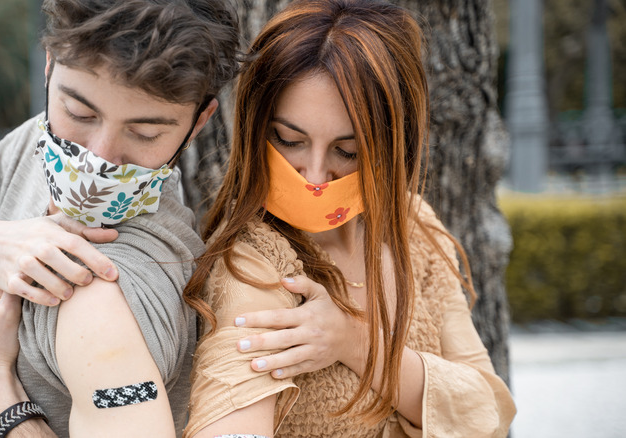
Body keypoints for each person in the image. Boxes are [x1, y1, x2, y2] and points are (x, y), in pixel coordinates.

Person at [0, 0, 239, 436]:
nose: (98, 157)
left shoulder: (117, 280)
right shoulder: (30, 150)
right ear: (49, 67)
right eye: (80, 113)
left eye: (145, 132)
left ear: (200, 120)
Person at [181, 0, 517, 437]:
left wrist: (353, 342)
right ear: (256, 128)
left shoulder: (414, 226)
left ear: (392, 144)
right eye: (289, 140)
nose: (315, 175)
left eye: (348, 151)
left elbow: (489, 411)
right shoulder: (252, 261)